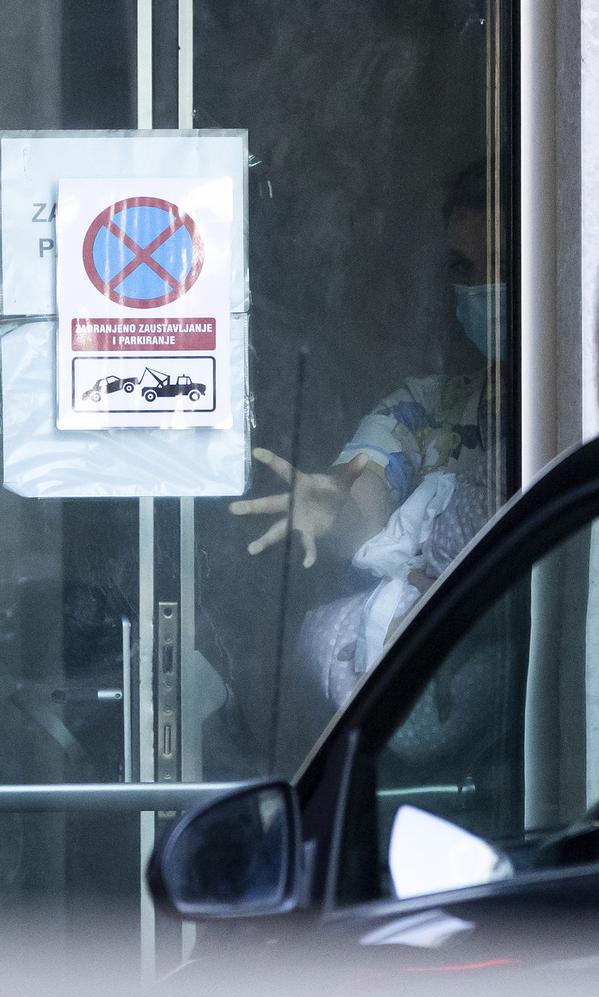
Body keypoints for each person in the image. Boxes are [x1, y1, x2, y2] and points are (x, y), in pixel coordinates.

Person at [231, 161, 500, 711]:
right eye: (463, 268)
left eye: (499, 265)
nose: (480, 288)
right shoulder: (424, 409)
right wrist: (335, 510)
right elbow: (366, 489)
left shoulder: (558, 417)